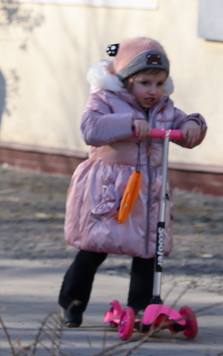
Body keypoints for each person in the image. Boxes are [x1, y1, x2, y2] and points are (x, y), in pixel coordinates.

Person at [58, 38, 205, 327]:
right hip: (110, 191)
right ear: (126, 80)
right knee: (95, 248)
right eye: (145, 83)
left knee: (148, 249)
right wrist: (127, 124)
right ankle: (72, 303)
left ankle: (140, 307)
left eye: (159, 83)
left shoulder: (164, 108)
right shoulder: (104, 100)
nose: (153, 91)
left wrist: (192, 125)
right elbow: (90, 129)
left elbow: (182, 122)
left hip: (150, 192)